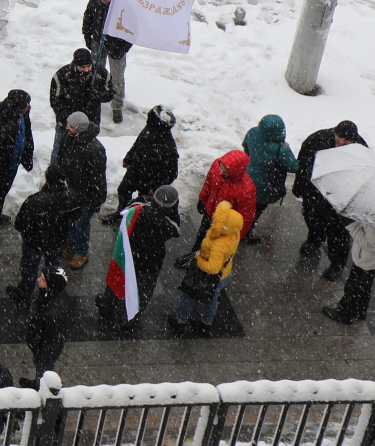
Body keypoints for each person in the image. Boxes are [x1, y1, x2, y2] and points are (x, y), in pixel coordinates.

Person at [98, 185, 181, 326]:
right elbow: (176, 230)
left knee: (118, 279)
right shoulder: (167, 224)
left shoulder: (139, 205)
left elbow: (130, 207)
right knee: (143, 291)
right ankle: (129, 318)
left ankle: (108, 305)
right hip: (150, 263)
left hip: (128, 254)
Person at [295, 120, 366, 279]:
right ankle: (315, 240)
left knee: (339, 235)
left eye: (346, 142)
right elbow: (303, 164)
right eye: (339, 139)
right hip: (316, 195)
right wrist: (300, 187)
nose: (341, 143)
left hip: (340, 202)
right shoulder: (317, 140)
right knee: (313, 219)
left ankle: (337, 264)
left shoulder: (361, 151)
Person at [169, 200, 241, 335]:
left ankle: (180, 321)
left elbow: (212, 268)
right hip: (224, 274)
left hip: (210, 276)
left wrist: (199, 260)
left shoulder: (219, 243)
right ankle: (206, 322)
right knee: (212, 297)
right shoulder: (234, 232)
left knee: (188, 295)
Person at [11, 166, 76, 303]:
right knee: (52, 266)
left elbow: (19, 224)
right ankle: (49, 292)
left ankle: (24, 293)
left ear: (47, 180)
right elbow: (76, 215)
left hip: (34, 243)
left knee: (29, 269)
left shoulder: (34, 201)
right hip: (57, 241)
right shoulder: (71, 198)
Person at [54, 113, 107, 268]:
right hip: (71, 189)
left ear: (78, 129)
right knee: (70, 218)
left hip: (86, 195)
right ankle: (70, 241)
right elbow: (61, 156)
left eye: (70, 125)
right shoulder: (68, 137)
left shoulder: (95, 149)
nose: (66, 127)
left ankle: (82, 251)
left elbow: (98, 179)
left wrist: (95, 201)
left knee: (81, 224)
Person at [324, 220, 375, 325]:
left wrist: (352, 226)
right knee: (365, 284)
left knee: (354, 286)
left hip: (367, 260)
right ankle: (361, 309)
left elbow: (373, 245)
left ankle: (346, 313)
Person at [81, 0, 133, 122]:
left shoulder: (123, 6)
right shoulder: (94, 1)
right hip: (98, 43)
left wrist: (122, 48)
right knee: (95, 72)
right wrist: (87, 36)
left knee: (117, 77)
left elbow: (132, 30)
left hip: (117, 47)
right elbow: (88, 18)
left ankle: (117, 106)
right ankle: (94, 98)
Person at [240, 115, 297, 244]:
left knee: (245, 205)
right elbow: (294, 166)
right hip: (266, 185)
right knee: (256, 210)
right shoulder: (280, 149)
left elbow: (246, 147)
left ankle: (237, 226)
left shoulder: (252, 133)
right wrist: (287, 148)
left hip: (248, 177)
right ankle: (245, 233)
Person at [48, 49, 112, 160]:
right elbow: (55, 101)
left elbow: (110, 94)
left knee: (86, 154)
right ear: (75, 65)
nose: (86, 70)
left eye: (88, 66)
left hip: (90, 122)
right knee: (59, 151)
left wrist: (97, 94)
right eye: (82, 67)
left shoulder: (101, 74)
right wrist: (67, 119)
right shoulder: (62, 76)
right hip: (67, 123)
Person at [114, 106, 179, 211]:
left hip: (150, 180)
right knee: (123, 190)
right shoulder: (150, 129)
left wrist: (156, 187)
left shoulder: (169, 148)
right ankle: (122, 213)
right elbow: (138, 142)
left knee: (142, 203)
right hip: (135, 170)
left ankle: (136, 220)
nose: (147, 122)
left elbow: (172, 173)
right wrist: (128, 158)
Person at [0, 89, 35, 208]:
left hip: (13, 162)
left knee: (3, 191)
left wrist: (28, 155)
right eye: (26, 105)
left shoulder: (23, 113)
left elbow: (27, 133)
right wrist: (13, 121)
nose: (29, 107)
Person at [195, 149, 259, 246]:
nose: (220, 172)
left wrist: (237, 238)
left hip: (224, 225)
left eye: (225, 172)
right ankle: (195, 253)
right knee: (201, 237)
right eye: (221, 168)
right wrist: (202, 199)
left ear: (236, 171)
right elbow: (208, 184)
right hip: (209, 214)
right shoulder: (216, 166)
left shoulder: (247, 190)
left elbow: (246, 218)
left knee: (215, 248)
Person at [25, 263, 70, 376]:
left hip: (44, 350)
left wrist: (38, 352)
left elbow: (52, 341)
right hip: (44, 344)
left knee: (44, 370)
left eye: (43, 279)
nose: (38, 280)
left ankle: (40, 385)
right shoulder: (57, 294)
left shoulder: (52, 315)